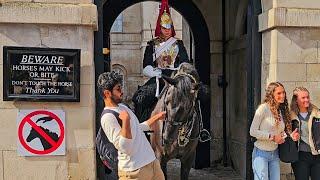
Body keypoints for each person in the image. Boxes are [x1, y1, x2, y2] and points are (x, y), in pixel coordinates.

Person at [97, 71, 166, 180]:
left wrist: (157, 117)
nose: (122, 92)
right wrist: (125, 122)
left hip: (151, 163)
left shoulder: (123, 107)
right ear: (107, 93)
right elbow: (125, 147)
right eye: (118, 89)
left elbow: (137, 129)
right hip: (133, 171)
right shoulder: (108, 117)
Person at [133, 0, 189, 122]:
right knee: (140, 98)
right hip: (158, 77)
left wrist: (180, 71)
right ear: (160, 27)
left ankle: (199, 128)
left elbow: (185, 62)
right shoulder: (152, 44)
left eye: (170, 27)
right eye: (165, 27)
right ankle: (141, 128)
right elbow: (146, 65)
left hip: (176, 77)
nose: (168, 30)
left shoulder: (178, 44)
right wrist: (153, 72)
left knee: (196, 95)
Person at [250, 82, 299, 180]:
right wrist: (271, 137)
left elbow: (280, 134)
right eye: (279, 93)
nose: (282, 95)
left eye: (283, 93)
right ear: (271, 94)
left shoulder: (281, 111)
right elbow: (252, 131)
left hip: (275, 154)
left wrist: (289, 136)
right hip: (261, 153)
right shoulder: (263, 109)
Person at [290, 87, 320, 180]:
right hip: (300, 156)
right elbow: (283, 133)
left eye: (307, 97)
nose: (306, 100)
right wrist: (291, 136)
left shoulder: (317, 114)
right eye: (303, 98)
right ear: (296, 100)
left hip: (317, 156)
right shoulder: (290, 116)